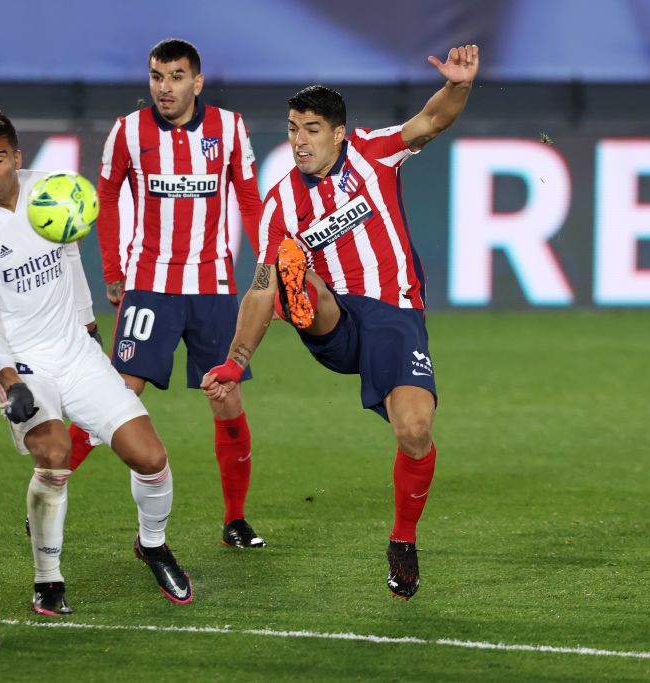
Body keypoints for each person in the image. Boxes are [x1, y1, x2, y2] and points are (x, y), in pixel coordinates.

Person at [202, 45, 481, 599]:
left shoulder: (374, 153)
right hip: (335, 320)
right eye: (292, 129)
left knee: (415, 430)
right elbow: (258, 286)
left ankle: (403, 540)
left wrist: (460, 85)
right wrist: (235, 362)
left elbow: (433, 119)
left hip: (394, 315)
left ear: (339, 134)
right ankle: (299, 299)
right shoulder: (282, 202)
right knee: (286, 268)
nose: (299, 140)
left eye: (310, 129)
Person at [0, 108, 193, 614]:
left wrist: (88, 326)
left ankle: (151, 545)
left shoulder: (52, 192)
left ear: (17, 156)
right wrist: (9, 380)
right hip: (20, 363)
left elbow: (71, 255)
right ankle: (48, 579)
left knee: (151, 457)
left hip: (75, 351)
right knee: (54, 454)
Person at [68, 38, 267, 549]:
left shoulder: (229, 128)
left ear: (196, 82)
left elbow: (249, 197)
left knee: (225, 396)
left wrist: (268, 266)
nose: (165, 87)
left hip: (213, 287)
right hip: (150, 286)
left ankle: (235, 520)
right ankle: (51, 483)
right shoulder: (127, 132)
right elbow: (107, 198)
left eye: (176, 76)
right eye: (157, 76)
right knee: (115, 396)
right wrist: (113, 269)